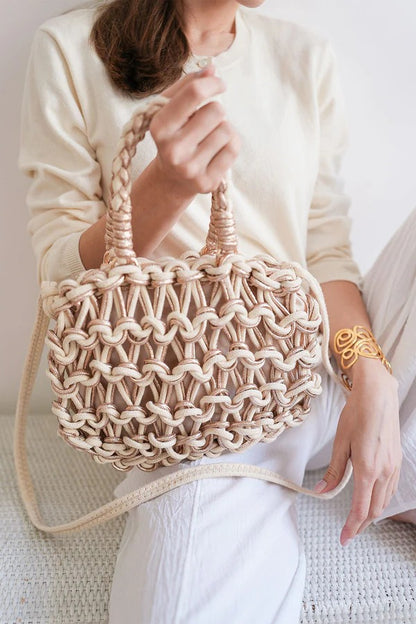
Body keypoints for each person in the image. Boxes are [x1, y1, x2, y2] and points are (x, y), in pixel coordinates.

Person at [18, 0, 416, 621]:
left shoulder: (303, 55)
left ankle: (393, 458)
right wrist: (166, 188)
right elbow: (61, 281)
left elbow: (326, 256)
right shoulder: (70, 50)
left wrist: (371, 373)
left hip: (315, 367)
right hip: (191, 400)